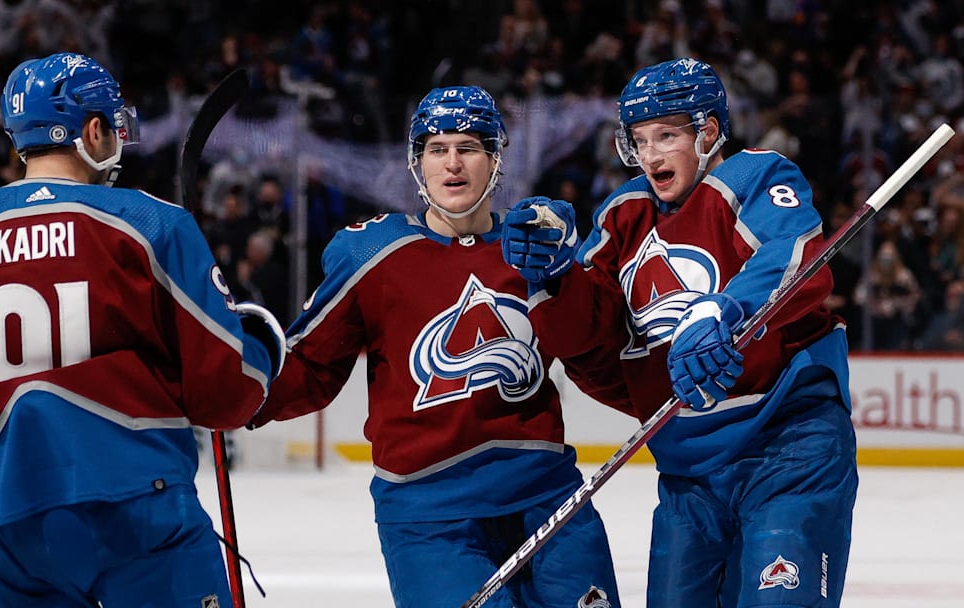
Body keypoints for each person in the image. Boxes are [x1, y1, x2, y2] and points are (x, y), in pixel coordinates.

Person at [0, 52, 285, 608]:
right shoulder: (147, 222)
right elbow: (225, 391)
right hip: (138, 507)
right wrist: (262, 346)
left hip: (2, 522)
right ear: (92, 130)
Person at [246, 85, 623, 608]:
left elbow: (593, 350)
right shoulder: (372, 253)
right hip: (429, 516)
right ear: (416, 162)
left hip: (548, 498)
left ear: (495, 159)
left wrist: (565, 277)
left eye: (468, 148)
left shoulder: (536, 245)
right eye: (436, 149)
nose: (452, 164)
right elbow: (310, 366)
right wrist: (242, 382)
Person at [501, 58, 858, 607]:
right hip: (688, 474)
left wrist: (722, 310)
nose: (650, 155)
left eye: (665, 135)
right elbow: (585, 335)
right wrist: (552, 273)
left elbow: (798, 254)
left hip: (787, 448)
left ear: (708, 131)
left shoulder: (755, 176)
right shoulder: (623, 216)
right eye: (639, 140)